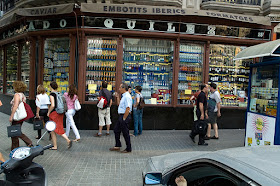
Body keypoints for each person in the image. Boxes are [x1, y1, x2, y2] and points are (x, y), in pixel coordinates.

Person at [47, 81, 72, 150]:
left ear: (50, 87)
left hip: (54, 113)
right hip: (60, 112)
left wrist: (48, 112)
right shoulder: (59, 94)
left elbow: (53, 105)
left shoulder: (52, 94)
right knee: (53, 129)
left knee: (56, 128)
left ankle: (67, 140)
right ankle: (55, 146)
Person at [9, 81, 33, 150]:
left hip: (17, 116)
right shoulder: (22, 95)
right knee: (15, 131)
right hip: (21, 116)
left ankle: (27, 142)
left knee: (15, 131)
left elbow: (15, 105)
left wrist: (11, 116)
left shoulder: (17, 95)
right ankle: (14, 147)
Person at [109, 83, 132, 153]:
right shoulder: (123, 96)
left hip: (124, 116)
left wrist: (124, 118)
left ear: (123, 88)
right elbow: (119, 105)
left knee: (125, 132)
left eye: (120, 88)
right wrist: (117, 98)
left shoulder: (127, 96)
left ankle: (128, 148)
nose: (119, 89)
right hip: (121, 115)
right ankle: (118, 145)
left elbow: (128, 108)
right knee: (116, 130)